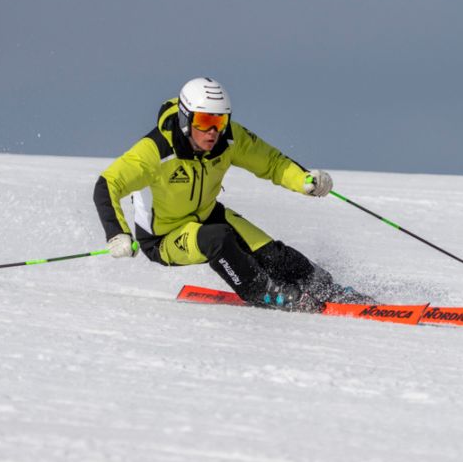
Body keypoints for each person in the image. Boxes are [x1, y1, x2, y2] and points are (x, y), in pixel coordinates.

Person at [93, 77, 365, 311]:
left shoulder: (228, 139)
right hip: (164, 237)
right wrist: (116, 233)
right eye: (204, 121)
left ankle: (329, 289)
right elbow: (107, 185)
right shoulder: (156, 151)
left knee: (272, 254)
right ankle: (264, 291)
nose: (213, 131)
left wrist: (305, 180)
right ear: (186, 118)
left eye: (220, 121)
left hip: (208, 215)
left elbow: (272, 163)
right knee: (218, 239)